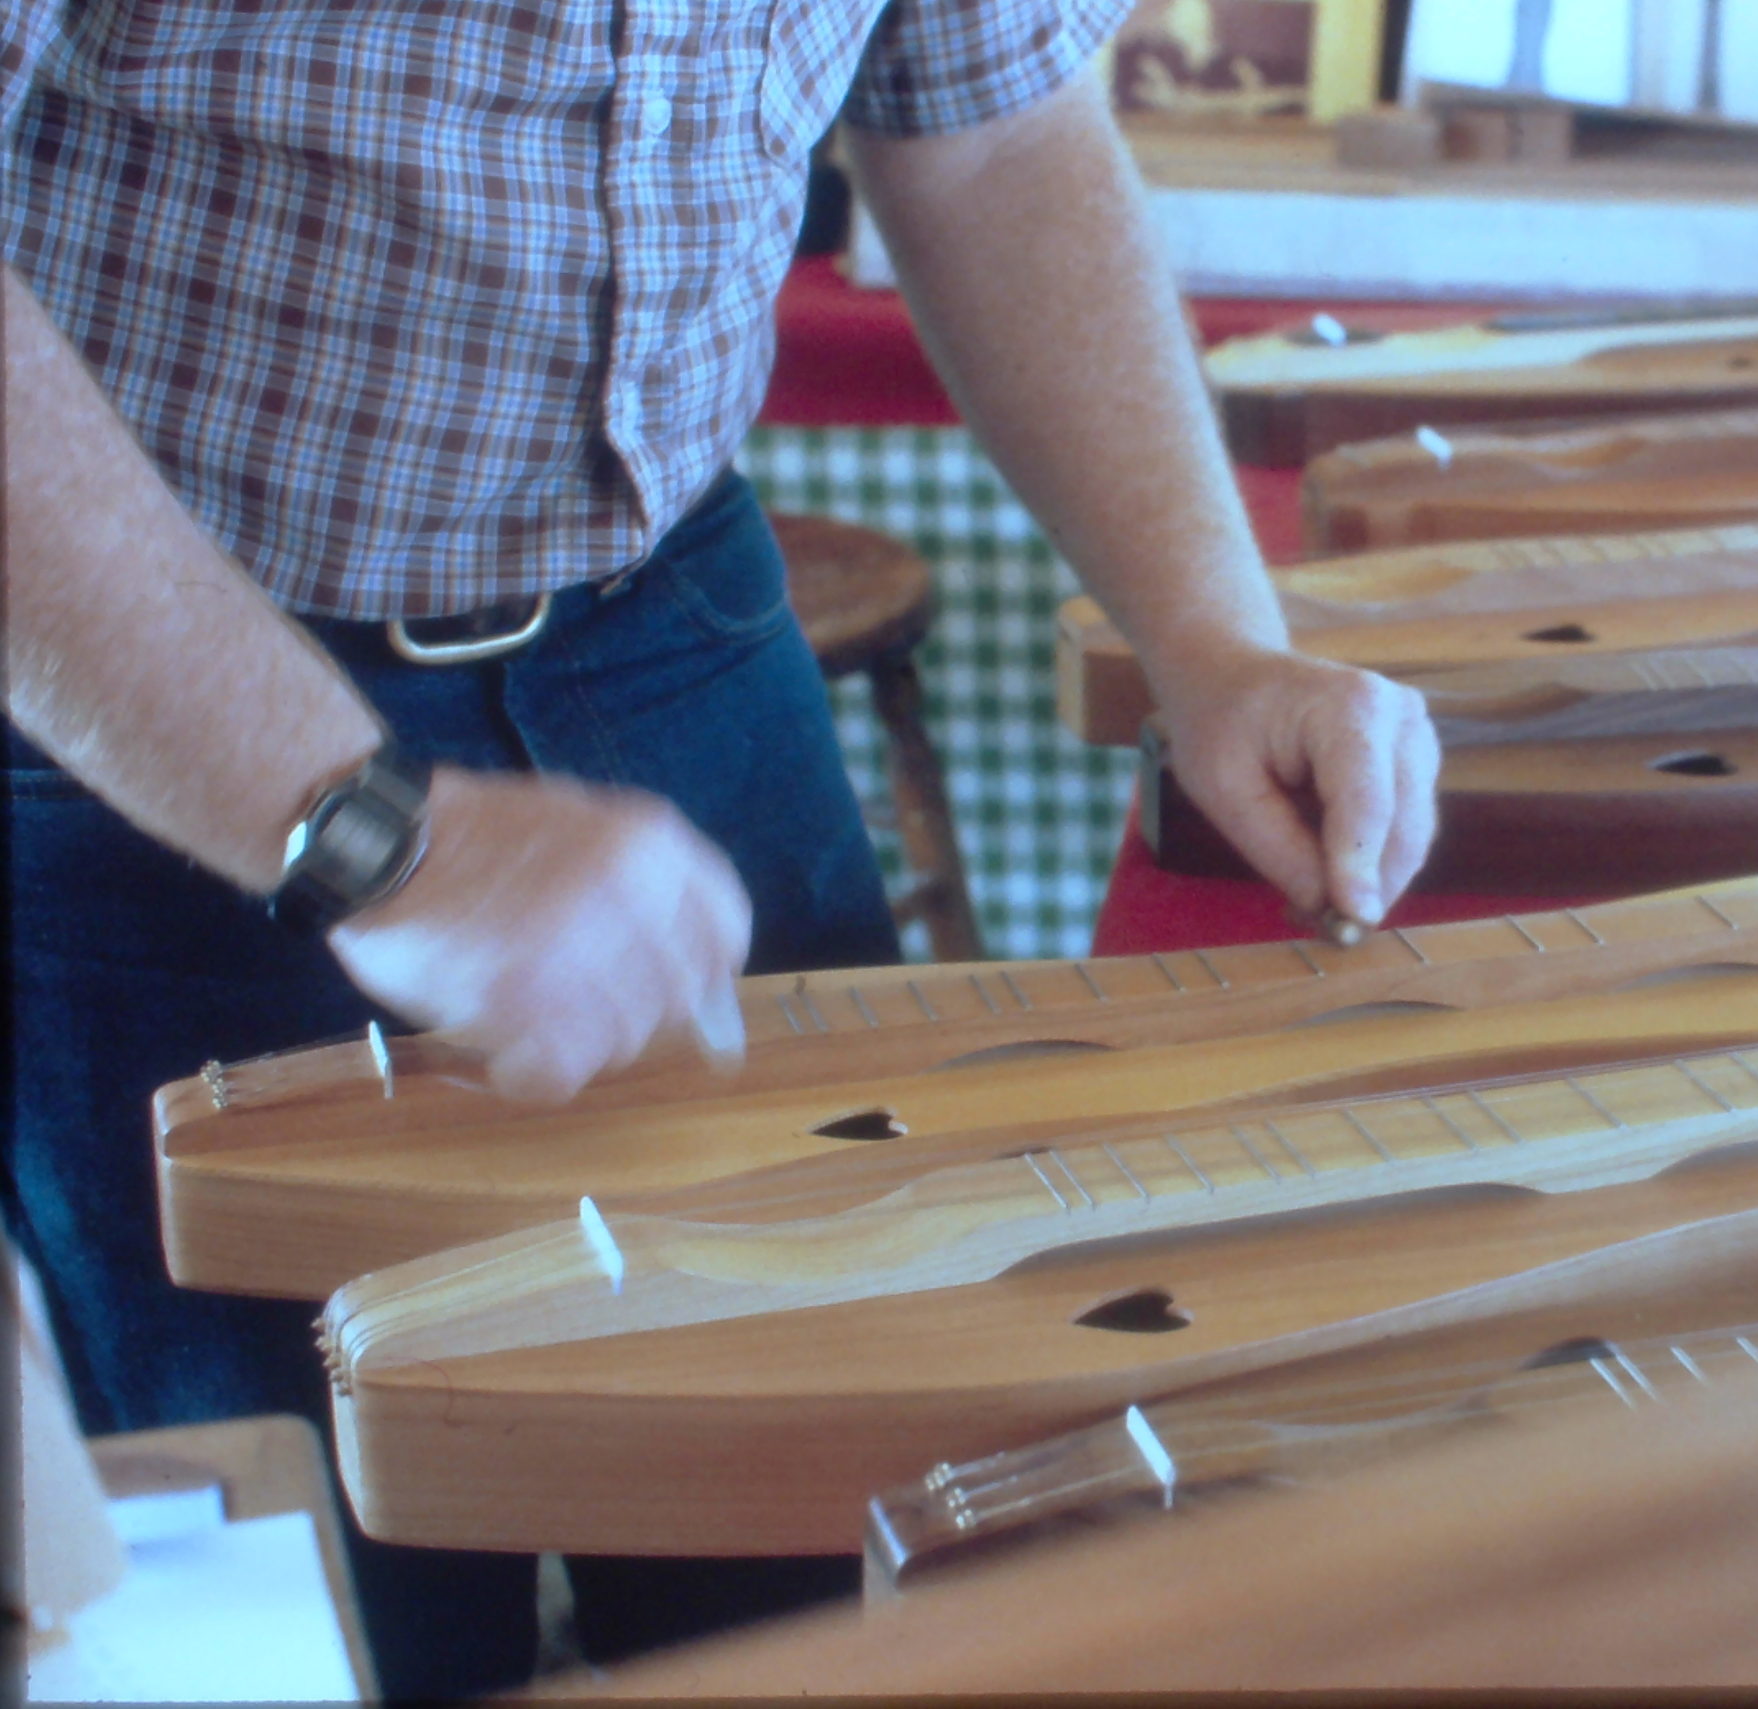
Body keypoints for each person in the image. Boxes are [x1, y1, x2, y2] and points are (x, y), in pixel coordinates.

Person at [3, 0, 1437, 1694]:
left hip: (663, 621)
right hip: (155, 693)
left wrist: (1215, 642)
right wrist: (363, 830)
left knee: (817, 1549)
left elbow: (991, 128)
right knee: (324, 1612)